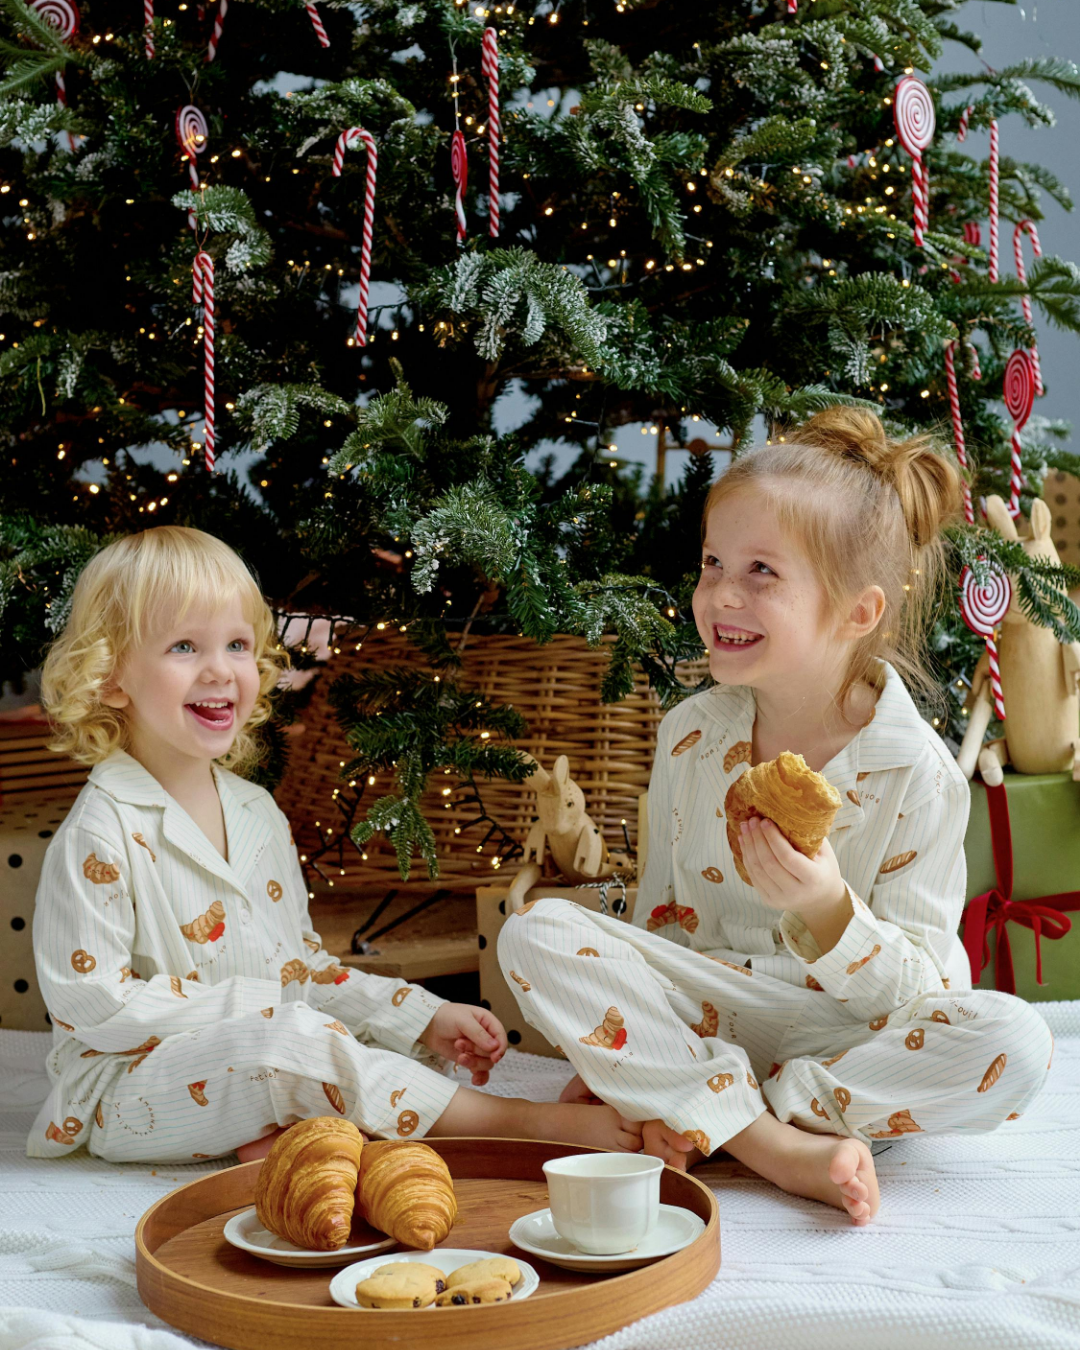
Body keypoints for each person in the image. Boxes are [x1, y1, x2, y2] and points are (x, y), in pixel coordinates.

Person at [498, 407, 1054, 1226]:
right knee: (534, 933)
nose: (721, 592)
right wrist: (628, 1028)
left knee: (1016, 1042)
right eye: (713, 562)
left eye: (762, 571)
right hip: (715, 1002)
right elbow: (662, 923)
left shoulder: (919, 774)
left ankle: (720, 1108)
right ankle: (766, 1142)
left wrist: (826, 909)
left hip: (849, 1035)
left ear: (858, 612)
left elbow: (924, 991)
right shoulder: (692, 734)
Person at [27, 526, 642, 1164]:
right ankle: (517, 1123)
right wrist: (261, 1007)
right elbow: (95, 1003)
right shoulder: (100, 830)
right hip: (125, 1089)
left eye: (237, 644)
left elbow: (306, 971)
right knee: (294, 1039)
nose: (220, 670)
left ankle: (285, 1135)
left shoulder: (255, 810)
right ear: (110, 678)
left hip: (241, 1064)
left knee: (329, 1037)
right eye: (184, 646)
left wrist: (422, 1016)